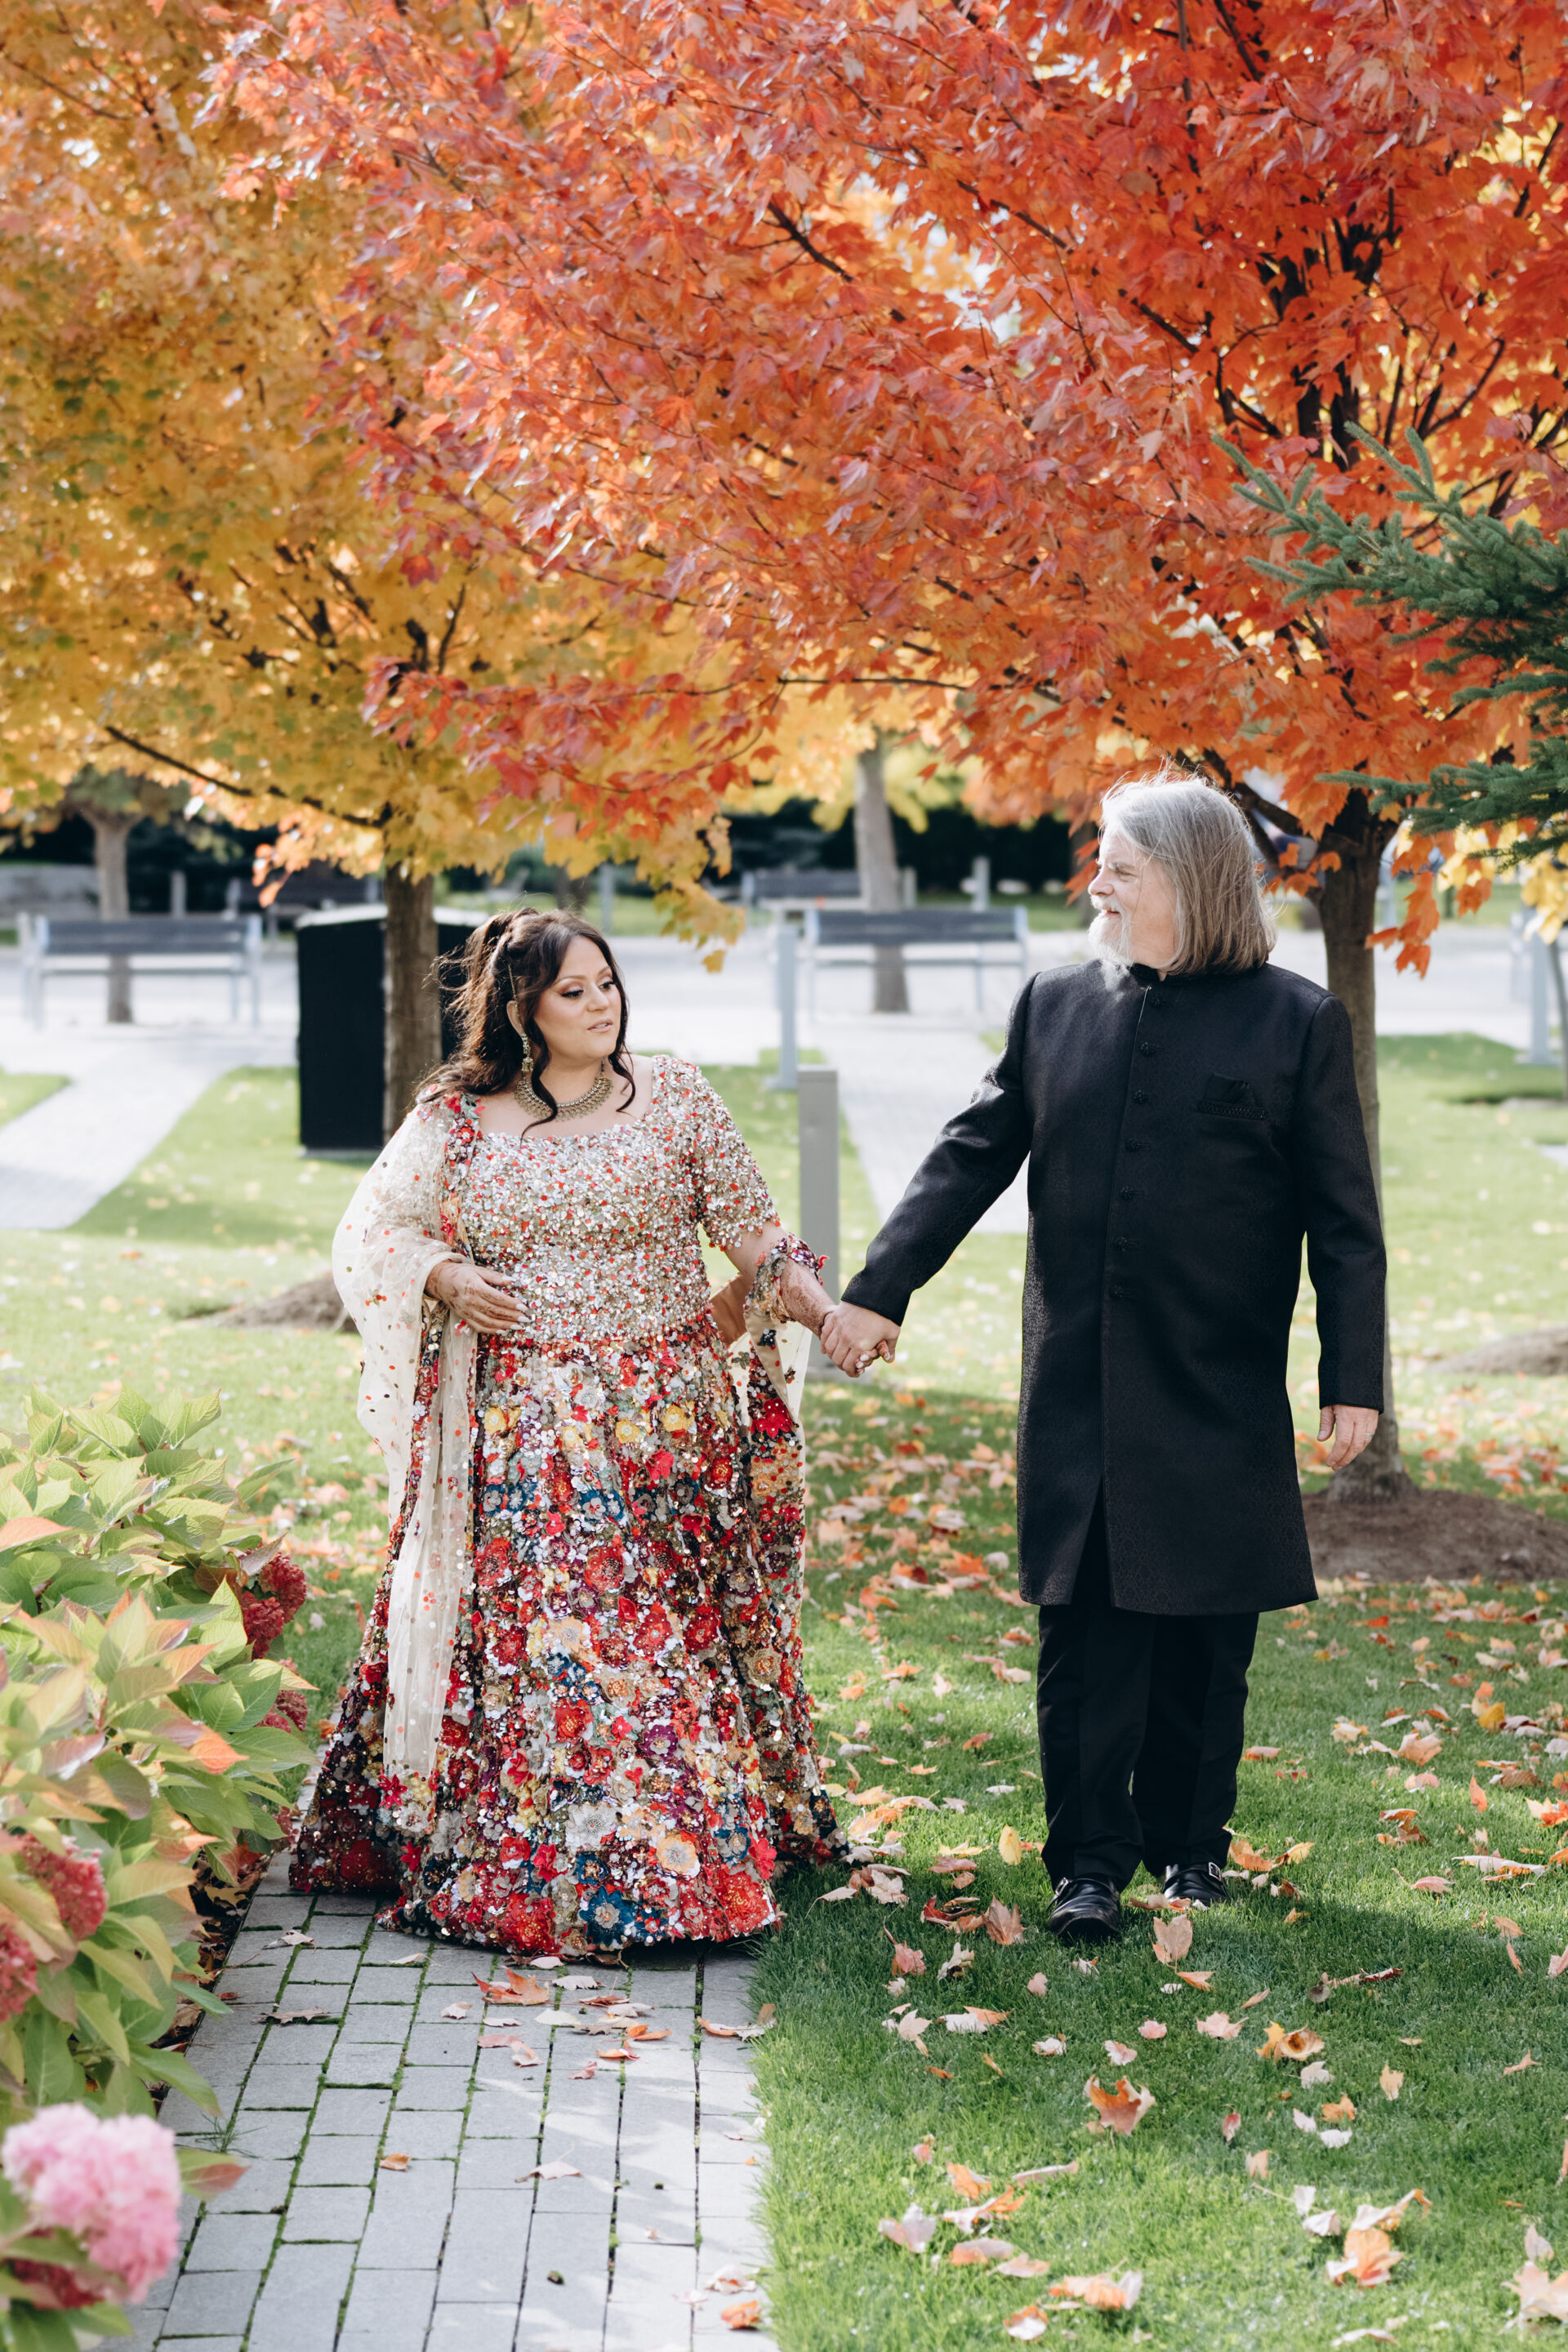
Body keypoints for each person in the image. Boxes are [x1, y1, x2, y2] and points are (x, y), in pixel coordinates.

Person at [820, 766, 1385, 1944]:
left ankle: (1189, 1851)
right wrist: (878, 1291)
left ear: (1190, 880)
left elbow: (1345, 1223)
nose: (1100, 886)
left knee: (1205, 1635)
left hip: (1219, 1380)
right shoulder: (1056, 1004)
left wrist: (1352, 1381)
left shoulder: (1297, 1023)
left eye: (1121, 868)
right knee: (1083, 1632)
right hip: (1078, 1379)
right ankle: (1085, 1866)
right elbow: (971, 1154)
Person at [291, 907, 844, 1955]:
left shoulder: (676, 1098)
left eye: (608, 983)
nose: (602, 1005)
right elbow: (368, 1233)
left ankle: (678, 1844)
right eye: (574, 991)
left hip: (671, 1421)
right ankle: (630, 1873)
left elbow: (758, 1238)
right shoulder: (457, 1119)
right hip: (528, 1423)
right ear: (521, 1010)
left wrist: (827, 1313)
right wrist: (443, 1273)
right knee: (580, 1639)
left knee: (669, 1631)